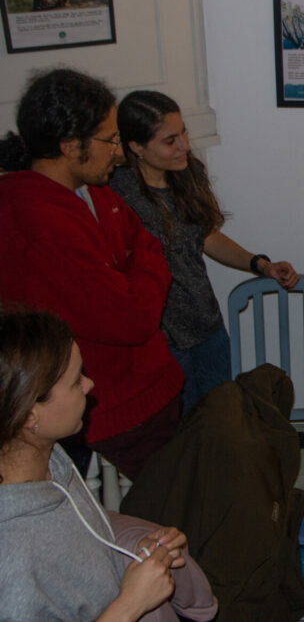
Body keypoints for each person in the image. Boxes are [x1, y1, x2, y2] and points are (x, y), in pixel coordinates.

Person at [0, 69, 184, 479]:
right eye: (109, 140)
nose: (118, 153)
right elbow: (133, 317)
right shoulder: (38, 219)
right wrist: (137, 276)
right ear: (69, 147)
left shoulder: (94, 192)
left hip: (147, 392)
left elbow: (150, 247)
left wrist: (133, 274)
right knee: (171, 506)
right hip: (113, 411)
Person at [0, 311, 217, 622]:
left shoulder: (48, 457)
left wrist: (133, 553)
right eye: (76, 381)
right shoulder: (10, 564)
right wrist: (130, 605)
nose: (89, 384)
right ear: (28, 416)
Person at [111, 90, 299, 414]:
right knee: (179, 435)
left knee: (219, 423)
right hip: (161, 340)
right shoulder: (116, 194)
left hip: (207, 328)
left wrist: (262, 265)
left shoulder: (188, 173)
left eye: (183, 131)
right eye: (170, 140)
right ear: (137, 147)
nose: (184, 145)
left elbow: (206, 236)